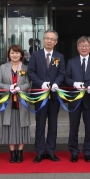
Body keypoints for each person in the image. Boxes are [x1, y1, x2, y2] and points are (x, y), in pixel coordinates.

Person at [27, 29, 66, 163]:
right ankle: (39, 151)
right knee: (40, 124)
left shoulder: (59, 56)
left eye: (52, 39)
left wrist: (56, 83)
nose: (49, 41)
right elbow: (30, 72)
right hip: (40, 94)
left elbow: (62, 73)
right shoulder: (35, 55)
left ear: (56, 42)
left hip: (54, 95)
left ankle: (50, 151)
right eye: (47, 38)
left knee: (53, 124)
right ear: (43, 40)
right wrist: (41, 83)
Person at [65, 36, 90, 163]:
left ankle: (87, 151)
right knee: (74, 126)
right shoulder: (71, 62)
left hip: (89, 99)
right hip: (75, 99)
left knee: (89, 127)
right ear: (77, 48)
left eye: (86, 45)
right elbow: (67, 77)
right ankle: (74, 151)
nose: (84, 48)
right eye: (81, 45)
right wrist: (74, 83)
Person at [0, 45, 32, 163]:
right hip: (8, 101)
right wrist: (9, 87)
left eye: (17, 53)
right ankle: (12, 153)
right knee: (9, 126)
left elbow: (28, 84)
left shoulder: (25, 68)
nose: (14, 55)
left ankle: (20, 152)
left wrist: (19, 88)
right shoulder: (3, 67)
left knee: (22, 126)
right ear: (9, 54)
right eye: (12, 53)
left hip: (21, 102)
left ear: (21, 54)